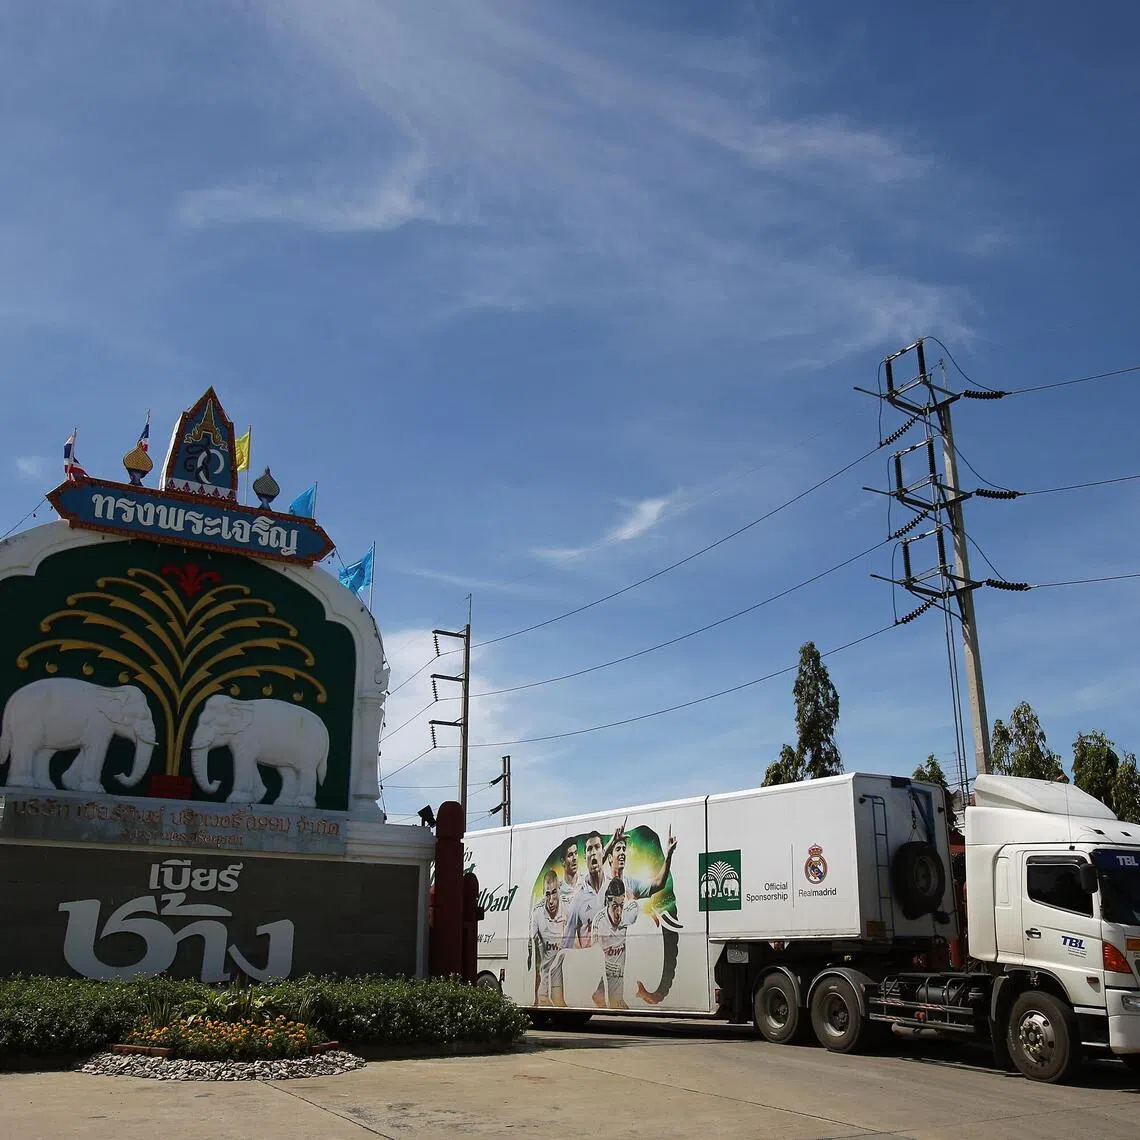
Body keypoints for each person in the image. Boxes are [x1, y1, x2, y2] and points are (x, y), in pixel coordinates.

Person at [589, 877, 642, 1008]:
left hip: (619, 983)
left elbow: (635, 906)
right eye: (614, 907)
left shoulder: (629, 913)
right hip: (605, 980)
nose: (618, 913)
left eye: (621, 906)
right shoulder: (599, 922)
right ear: (607, 901)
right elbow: (594, 959)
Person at [529, 868, 568, 1006]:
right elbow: (532, 946)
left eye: (554, 893)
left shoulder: (567, 909)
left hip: (561, 975)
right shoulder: (537, 912)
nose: (551, 900)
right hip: (544, 979)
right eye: (547, 894)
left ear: (559, 890)